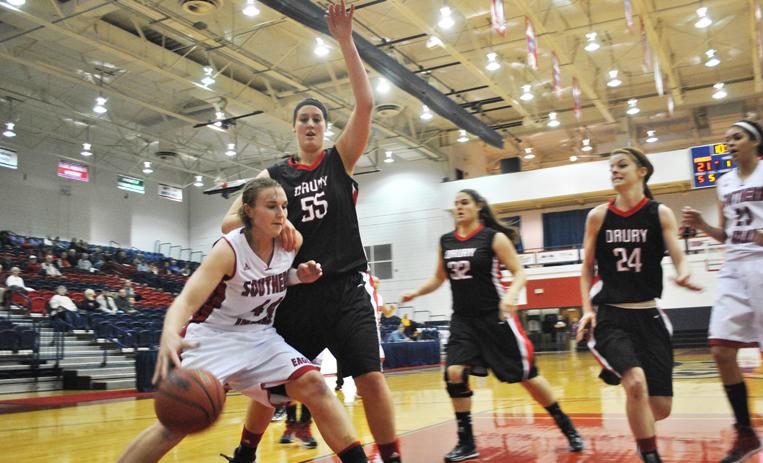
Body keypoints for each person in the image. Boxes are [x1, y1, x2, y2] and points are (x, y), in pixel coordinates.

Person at [220, 3, 400, 463]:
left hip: (347, 288)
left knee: (370, 378)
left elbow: (366, 104)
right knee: (275, 386)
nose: (311, 124)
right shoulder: (274, 176)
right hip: (296, 292)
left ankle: (393, 457)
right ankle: (245, 454)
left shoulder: (341, 160)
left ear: (325, 129)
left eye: (318, 119)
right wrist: (278, 228)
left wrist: (345, 40)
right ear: (294, 129)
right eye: (303, 119)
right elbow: (227, 222)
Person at [118, 178, 368, 463]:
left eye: (284, 207)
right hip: (214, 338)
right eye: (271, 206)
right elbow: (186, 300)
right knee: (176, 423)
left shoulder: (291, 241)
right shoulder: (228, 250)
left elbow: (271, 275)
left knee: (315, 385)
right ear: (248, 211)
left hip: (261, 337)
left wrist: (299, 275)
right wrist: (169, 332)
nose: (281, 214)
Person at [401, 189, 584, 462]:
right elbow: (439, 278)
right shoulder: (446, 241)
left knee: (527, 377)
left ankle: (566, 426)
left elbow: (520, 272)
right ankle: (466, 442)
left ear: (478, 207)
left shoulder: (493, 238)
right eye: (456, 204)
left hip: (495, 318)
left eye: (465, 203)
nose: (459, 207)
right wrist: (415, 293)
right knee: (454, 372)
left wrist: (510, 296)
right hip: (463, 320)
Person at [577, 147, 701, 463]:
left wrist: (684, 273)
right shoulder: (598, 216)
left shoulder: (659, 213)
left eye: (622, 165)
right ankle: (650, 455)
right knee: (636, 384)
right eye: (611, 167)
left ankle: (639, 423)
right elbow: (587, 268)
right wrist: (587, 309)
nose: (615, 170)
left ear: (642, 171)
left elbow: (677, 254)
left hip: (648, 313)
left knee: (660, 407)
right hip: (611, 315)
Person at [681, 120, 763, 463]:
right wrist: (702, 226)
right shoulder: (723, 183)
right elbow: (726, 234)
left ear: (755, 141)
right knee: (721, 350)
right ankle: (746, 432)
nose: (730, 144)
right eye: (727, 140)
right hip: (734, 266)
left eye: (737, 137)